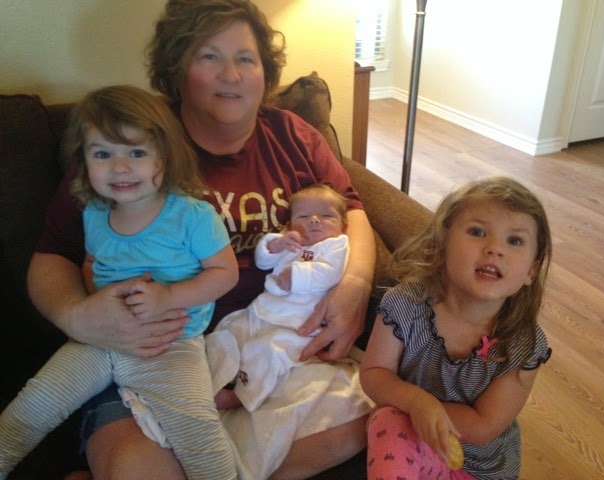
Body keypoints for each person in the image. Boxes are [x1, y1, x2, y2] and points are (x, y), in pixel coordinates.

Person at [26, 1, 375, 479]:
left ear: (265, 71)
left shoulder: (293, 136)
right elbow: (53, 254)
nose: (231, 75)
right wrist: (76, 316)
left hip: (273, 346)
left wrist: (355, 287)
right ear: (177, 68)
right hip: (155, 350)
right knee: (139, 471)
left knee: (367, 423)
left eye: (246, 58)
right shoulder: (132, 147)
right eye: (209, 56)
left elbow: (353, 208)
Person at [0, 85, 239, 480]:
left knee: (198, 432)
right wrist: (94, 306)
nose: (120, 167)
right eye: (102, 154)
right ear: (83, 161)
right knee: (32, 406)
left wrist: (168, 296)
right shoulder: (93, 213)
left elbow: (225, 273)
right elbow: (92, 262)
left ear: (166, 156)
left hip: (172, 344)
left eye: (136, 153)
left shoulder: (193, 216)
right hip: (99, 342)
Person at [360, 177, 553, 480]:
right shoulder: (404, 305)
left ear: (531, 270)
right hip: (411, 443)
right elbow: (374, 373)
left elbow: (484, 425)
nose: (494, 249)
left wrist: (430, 411)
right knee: (388, 418)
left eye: (514, 241)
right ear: (442, 246)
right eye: (478, 232)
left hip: (480, 471)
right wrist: (415, 403)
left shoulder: (524, 344)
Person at [210, 183, 350, 412]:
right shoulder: (291, 242)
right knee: (230, 329)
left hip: (298, 326)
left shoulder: (337, 245)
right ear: (290, 224)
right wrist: (275, 244)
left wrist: (297, 275)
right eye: (304, 216)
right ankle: (214, 377)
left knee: (270, 351)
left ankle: (242, 395)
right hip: (263, 311)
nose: (314, 221)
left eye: (326, 216)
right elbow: (263, 262)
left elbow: (331, 272)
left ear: (343, 225)